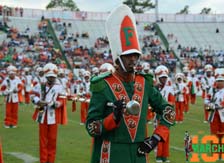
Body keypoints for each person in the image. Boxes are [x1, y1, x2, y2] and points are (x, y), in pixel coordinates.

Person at [86, 5, 175, 163]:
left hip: (139, 153)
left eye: (135, 55)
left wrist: (155, 138)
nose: (133, 59)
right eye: (128, 56)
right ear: (118, 58)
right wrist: (112, 118)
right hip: (112, 153)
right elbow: (92, 127)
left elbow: (168, 111)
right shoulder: (102, 85)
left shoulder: (145, 82)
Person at [31, 63, 67, 163]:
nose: (52, 78)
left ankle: (50, 160)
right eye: (50, 77)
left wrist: (57, 103)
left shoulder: (59, 87)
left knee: (52, 140)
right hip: (42, 114)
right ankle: (43, 160)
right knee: (43, 141)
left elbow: (63, 99)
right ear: (46, 76)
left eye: (53, 77)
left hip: (53, 116)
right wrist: (38, 101)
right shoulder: (39, 86)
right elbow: (32, 95)